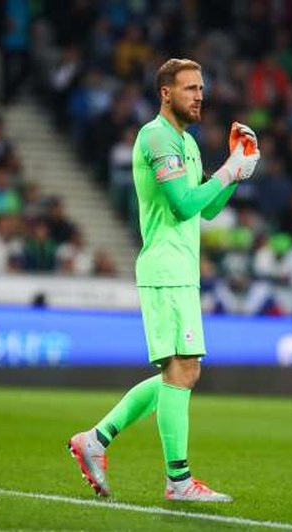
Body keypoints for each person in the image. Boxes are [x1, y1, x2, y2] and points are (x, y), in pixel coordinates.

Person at [68, 59, 260, 502]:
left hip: (181, 272)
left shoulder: (187, 144)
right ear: (166, 93)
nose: (199, 95)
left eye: (201, 88)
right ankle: (178, 480)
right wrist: (230, 168)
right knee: (183, 370)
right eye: (190, 88)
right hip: (164, 269)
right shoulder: (155, 137)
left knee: (181, 372)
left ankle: (95, 440)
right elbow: (181, 204)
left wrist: (238, 169)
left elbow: (207, 208)